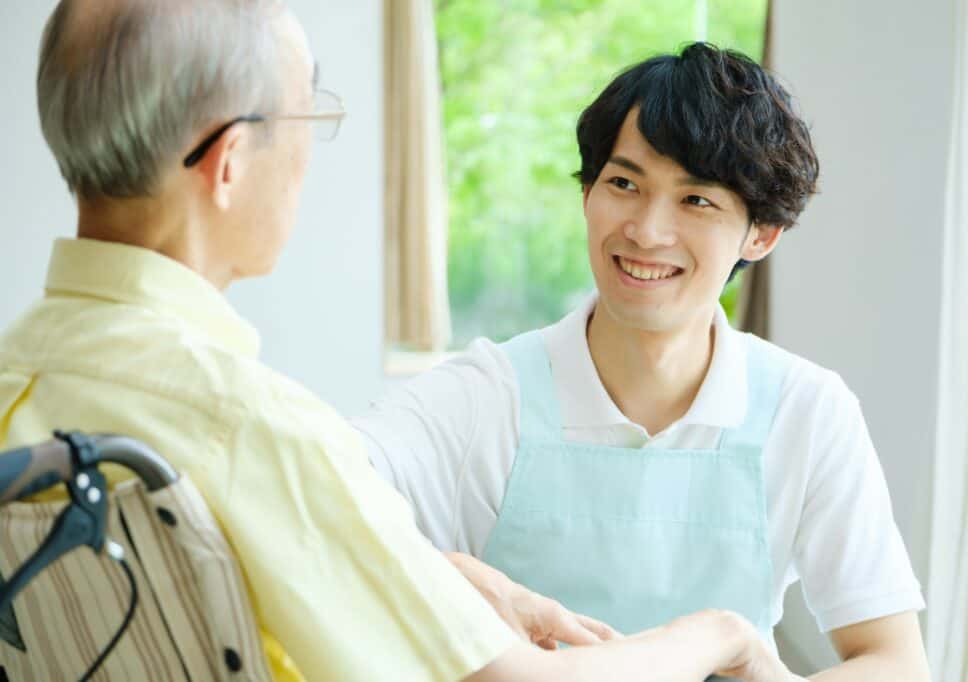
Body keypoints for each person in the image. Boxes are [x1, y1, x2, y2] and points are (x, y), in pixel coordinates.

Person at [0, 1, 800, 680]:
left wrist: (438, 573)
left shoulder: (19, 381)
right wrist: (722, 631)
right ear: (232, 160)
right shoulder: (245, 425)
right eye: (307, 116)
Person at [353, 43, 932, 680]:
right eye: (624, 184)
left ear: (761, 234)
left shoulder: (807, 410)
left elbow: (894, 660)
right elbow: (311, 493)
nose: (647, 231)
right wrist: (455, 572)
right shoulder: (486, 397)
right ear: (587, 194)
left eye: (696, 200)